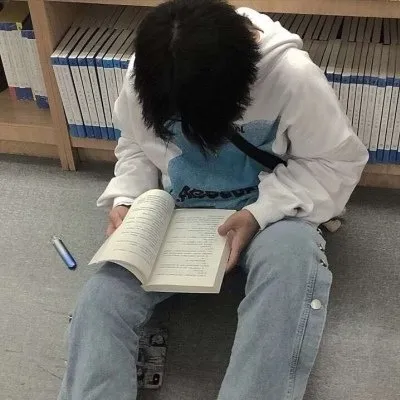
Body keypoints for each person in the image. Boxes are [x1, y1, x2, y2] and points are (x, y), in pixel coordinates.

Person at [58, 1, 368, 399]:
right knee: (103, 297)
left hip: (271, 217)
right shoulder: (151, 72)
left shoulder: (291, 76)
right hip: (178, 214)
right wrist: (128, 197)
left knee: (292, 259)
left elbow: (334, 163)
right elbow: (135, 143)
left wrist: (258, 214)